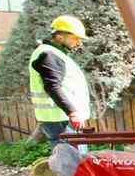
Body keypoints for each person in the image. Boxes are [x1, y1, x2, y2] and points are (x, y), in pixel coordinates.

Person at [28, 15, 91, 143]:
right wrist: (72, 112)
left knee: (71, 158)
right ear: (60, 36)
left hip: (61, 118)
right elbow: (52, 86)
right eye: (76, 38)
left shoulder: (53, 53)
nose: (79, 43)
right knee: (70, 160)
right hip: (61, 119)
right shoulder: (49, 54)